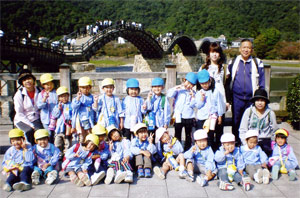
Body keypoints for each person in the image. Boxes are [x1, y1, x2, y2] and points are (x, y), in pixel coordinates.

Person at [225, 39, 265, 146]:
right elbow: (227, 81)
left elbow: (262, 82)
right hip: (236, 97)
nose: (246, 50)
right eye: (244, 47)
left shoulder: (257, 63)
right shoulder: (233, 62)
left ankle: (249, 144)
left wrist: (260, 99)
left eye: (248, 48)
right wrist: (228, 99)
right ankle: (235, 143)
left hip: (251, 98)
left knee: (250, 121)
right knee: (236, 121)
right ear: (240, 49)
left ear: (251, 50)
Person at [199, 42, 227, 143]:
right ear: (209, 54)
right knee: (208, 128)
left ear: (220, 55)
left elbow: (227, 86)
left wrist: (227, 102)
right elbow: (199, 86)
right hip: (207, 103)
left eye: (217, 52)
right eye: (212, 52)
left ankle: (219, 148)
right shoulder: (203, 68)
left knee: (219, 127)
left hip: (220, 102)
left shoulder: (224, 69)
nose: (214, 54)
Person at [239, 88, 278, 157]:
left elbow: (274, 131)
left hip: (265, 140)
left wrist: (273, 144)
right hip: (251, 141)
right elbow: (242, 129)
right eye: (257, 100)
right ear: (254, 101)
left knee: (266, 160)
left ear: (265, 102)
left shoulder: (270, 113)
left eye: (262, 100)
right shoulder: (249, 111)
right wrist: (245, 143)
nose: (259, 103)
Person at [193, 69, 225, 151]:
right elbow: (198, 106)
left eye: (206, 83)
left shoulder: (215, 91)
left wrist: (220, 115)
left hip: (212, 117)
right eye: (202, 83)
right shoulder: (198, 93)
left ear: (210, 81)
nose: (205, 85)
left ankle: (213, 150)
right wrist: (202, 99)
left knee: (211, 135)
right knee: (202, 135)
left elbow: (219, 104)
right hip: (202, 118)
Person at [167, 72, 198, 151]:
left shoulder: (193, 93)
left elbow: (193, 105)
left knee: (188, 134)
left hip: (189, 116)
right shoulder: (178, 90)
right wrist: (176, 88)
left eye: (192, 84)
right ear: (184, 80)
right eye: (188, 82)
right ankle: (177, 149)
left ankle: (187, 149)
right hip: (178, 115)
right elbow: (169, 94)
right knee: (177, 133)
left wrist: (193, 97)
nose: (188, 85)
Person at [14, 69, 43, 145]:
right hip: (22, 120)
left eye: (29, 79)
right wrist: (31, 125)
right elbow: (19, 113)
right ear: (22, 83)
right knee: (29, 131)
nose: (27, 81)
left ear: (33, 80)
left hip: (36, 118)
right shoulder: (19, 94)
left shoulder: (40, 91)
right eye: (24, 80)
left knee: (41, 133)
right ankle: (30, 151)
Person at [72, 76, 95, 143]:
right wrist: (78, 99)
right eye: (83, 87)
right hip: (81, 119)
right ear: (79, 88)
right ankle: (81, 148)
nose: (85, 89)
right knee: (82, 136)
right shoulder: (78, 97)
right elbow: (74, 107)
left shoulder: (92, 97)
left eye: (87, 87)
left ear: (90, 87)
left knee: (90, 135)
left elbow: (95, 108)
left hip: (90, 119)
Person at [51, 86, 73, 155]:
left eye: (65, 96)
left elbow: (73, 115)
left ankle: (67, 154)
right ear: (58, 98)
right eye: (61, 96)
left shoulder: (71, 105)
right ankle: (58, 154)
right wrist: (58, 108)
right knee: (57, 142)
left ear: (68, 96)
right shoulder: (57, 106)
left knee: (67, 143)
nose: (64, 98)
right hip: (59, 128)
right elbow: (55, 115)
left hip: (67, 128)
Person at [37, 73, 58, 143]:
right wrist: (44, 98)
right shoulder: (41, 94)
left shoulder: (56, 93)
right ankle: (49, 146)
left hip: (55, 118)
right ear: (43, 85)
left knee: (56, 134)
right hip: (46, 119)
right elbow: (39, 106)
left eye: (50, 84)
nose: (49, 86)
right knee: (48, 134)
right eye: (47, 84)